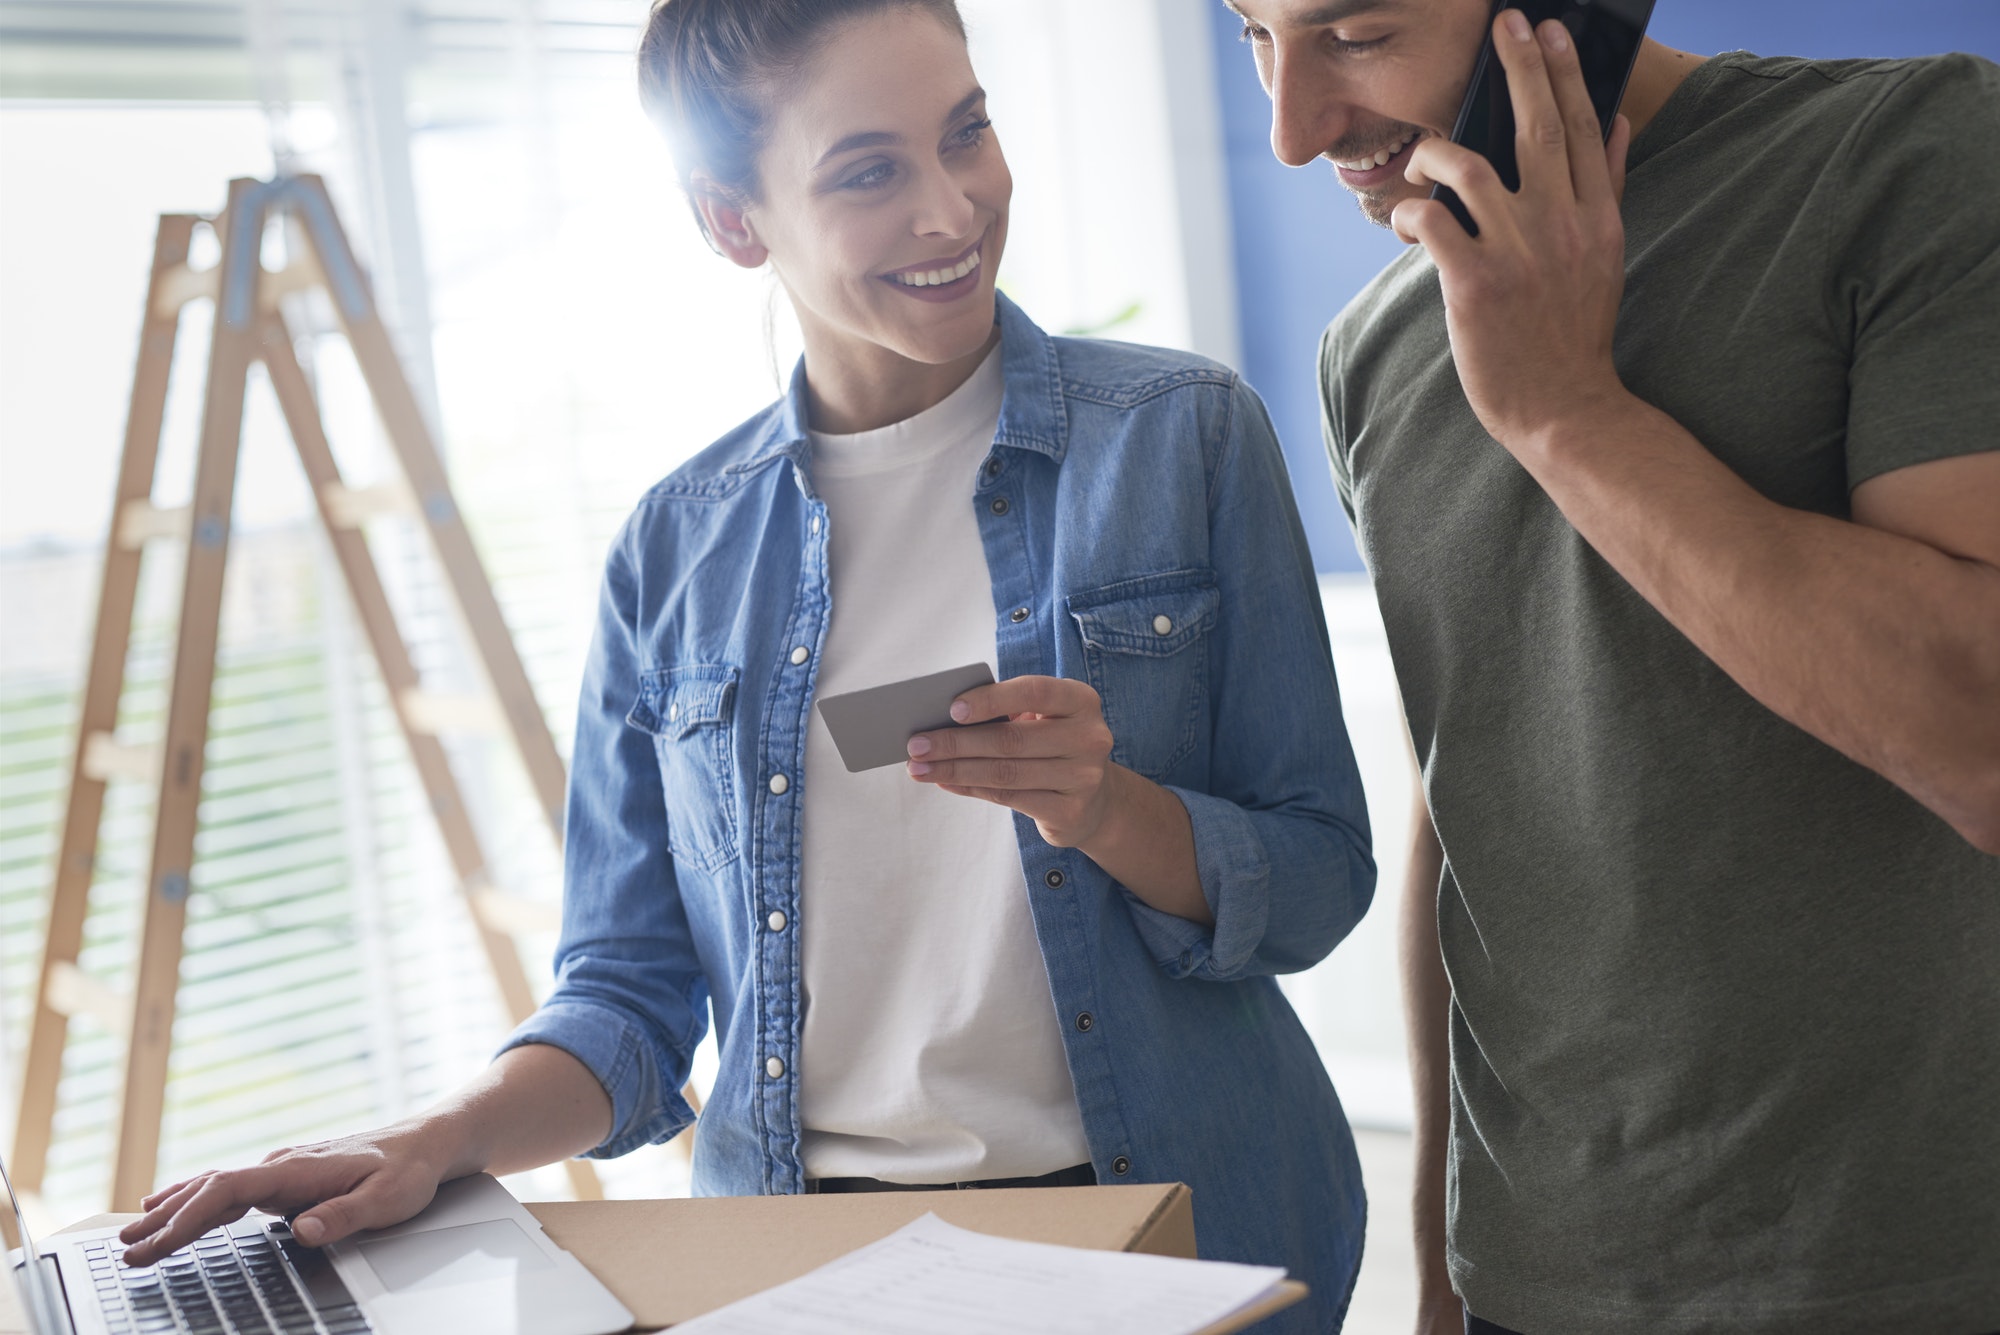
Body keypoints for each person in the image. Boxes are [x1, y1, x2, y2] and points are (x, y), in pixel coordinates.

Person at [120, 1, 1379, 1328]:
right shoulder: (672, 554)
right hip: (808, 1266)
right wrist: (432, 1138)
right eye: (869, 171)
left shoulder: (1184, 442)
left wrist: (1107, 808)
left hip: (1164, 1225)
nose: (953, 210)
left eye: (969, 132)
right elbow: (627, 999)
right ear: (732, 221)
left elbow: (1318, 881)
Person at [1227, 1, 2000, 1332]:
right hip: (1543, 1278)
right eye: (1253, 33)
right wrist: (1445, 1258)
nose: (1294, 130)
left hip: (1916, 1271)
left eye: (1354, 32)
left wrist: (1565, 413)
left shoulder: (1909, 154)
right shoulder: (1372, 350)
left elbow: (1978, 733)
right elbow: (1466, 809)